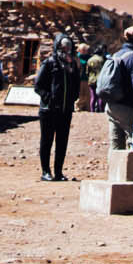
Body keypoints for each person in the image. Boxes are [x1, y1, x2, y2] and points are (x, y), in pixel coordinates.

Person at [32, 34, 83, 181]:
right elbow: (38, 86)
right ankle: (45, 172)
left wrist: (73, 97)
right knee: (47, 140)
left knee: (62, 141)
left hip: (65, 110)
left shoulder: (72, 65)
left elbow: (76, 84)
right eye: (63, 47)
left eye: (69, 47)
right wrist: (49, 99)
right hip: (49, 110)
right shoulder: (49, 63)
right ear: (58, 47)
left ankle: (59, 172)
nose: (66, 50)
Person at [100, 26, 133, 149]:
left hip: (111, 105)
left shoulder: (117, 54)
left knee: (116, 143)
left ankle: (115, 168)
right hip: (126, 107)